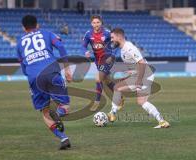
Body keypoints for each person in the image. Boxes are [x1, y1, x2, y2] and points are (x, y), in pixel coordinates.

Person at [17, 15, 72, 149]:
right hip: (51, 71)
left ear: (24, 28)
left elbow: (23, 66)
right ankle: (58, 114)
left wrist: (31, 76)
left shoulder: (19, 43)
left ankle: (63, 137)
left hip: (33, 77)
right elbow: (60, 46)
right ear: (37, 25)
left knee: (45, 111)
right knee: (65, 106)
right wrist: (67, 68)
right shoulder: (46, 33)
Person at [108, 28, 170, 129]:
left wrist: (139, 80)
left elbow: (142, 63)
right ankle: (162, 121)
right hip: (144, 74)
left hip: (145, 75)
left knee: (121, 91)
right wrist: (129, 75)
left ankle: (113, 112)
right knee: (121, 90)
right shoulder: (123, 49)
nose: (111, 40)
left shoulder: (129, 48)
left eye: (112, 37)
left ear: (119, 37)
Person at [82, 15, 124, 111]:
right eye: (94, 22)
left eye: (98, 22)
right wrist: (85, 52)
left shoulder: (107, 33)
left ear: (101, 23)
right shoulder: (88, 34)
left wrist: (112, 55)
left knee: (98, 78)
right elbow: (83, 46)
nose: (96, 24)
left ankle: (97, 102)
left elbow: (117, 43)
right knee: (107, 81)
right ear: (91, 24)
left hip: (108, 59)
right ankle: (119, 95)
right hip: (98, 60)